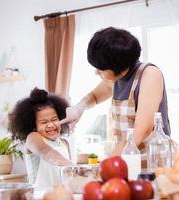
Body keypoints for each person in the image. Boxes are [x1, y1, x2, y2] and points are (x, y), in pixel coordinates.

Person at [61, 27, 170, 156]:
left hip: (152, 158)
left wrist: (107, 165)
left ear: (121, 69)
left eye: (101, 69)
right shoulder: (116, 78)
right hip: (126, 157)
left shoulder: (149, 75)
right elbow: (94, 97)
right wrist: (79, 108)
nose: (96, 73)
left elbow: (142, 131)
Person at [9, 87, 72, 188]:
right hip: (39, 195)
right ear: (33, 125)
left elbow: (68, 176)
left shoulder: (64, 143)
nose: (51, 125)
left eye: (54, 119)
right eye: (44, 122)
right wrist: (72, 167)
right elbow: (46, 151)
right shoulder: (33, 137)